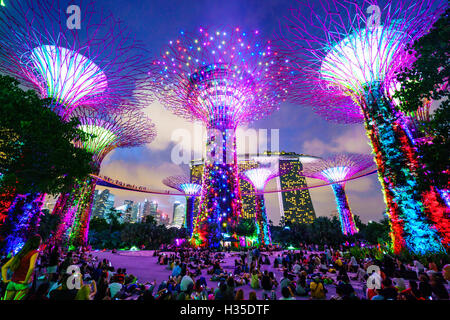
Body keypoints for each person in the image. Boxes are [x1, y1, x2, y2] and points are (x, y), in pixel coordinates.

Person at [1, 235, 41, 300]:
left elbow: (4, 267)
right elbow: (31, 267)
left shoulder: (20, 253)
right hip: (22, 284)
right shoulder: (34, 252)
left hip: (12, 282)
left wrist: (5, 280)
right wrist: (25, 280)